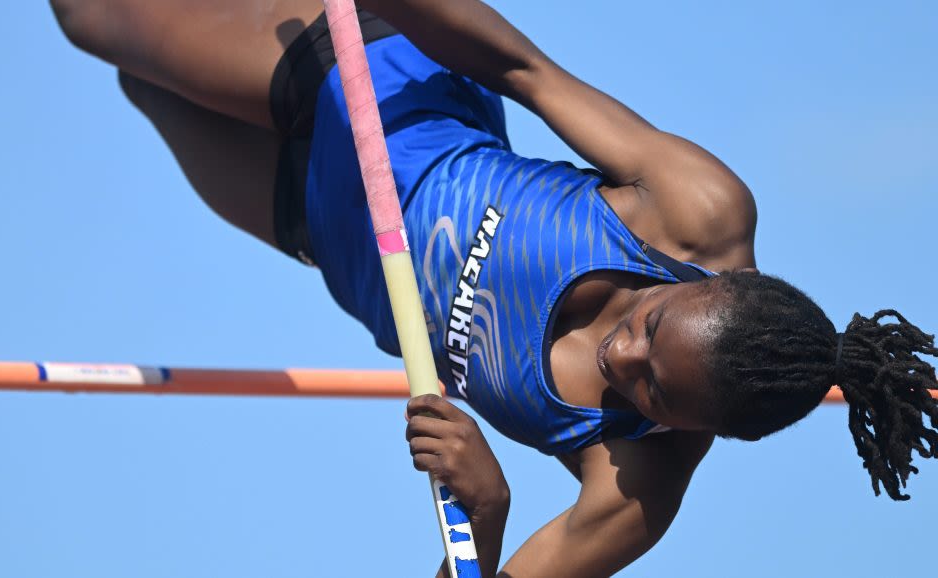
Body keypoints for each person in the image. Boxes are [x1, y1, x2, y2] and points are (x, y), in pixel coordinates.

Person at [49, 1, 938, 576]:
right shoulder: (697, 211)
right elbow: (524, 71)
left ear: (701, 433)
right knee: (89, 16)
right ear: (709, 282)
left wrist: (485, 514)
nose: (621, 353)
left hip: (321, 231)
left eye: (651, 391)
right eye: (649, 321)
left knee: (139, 80)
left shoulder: (632, 491)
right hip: (372, 96)